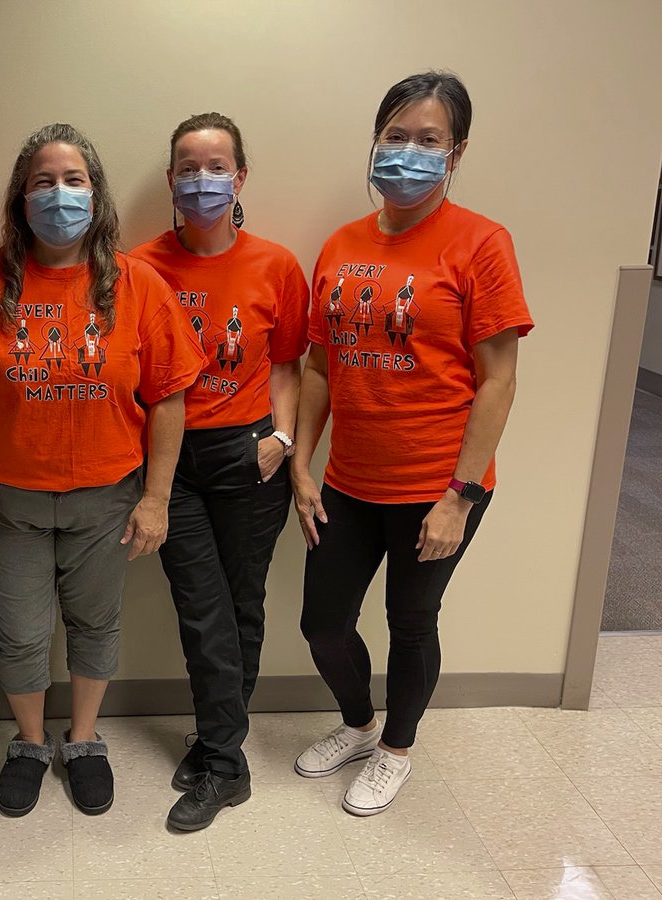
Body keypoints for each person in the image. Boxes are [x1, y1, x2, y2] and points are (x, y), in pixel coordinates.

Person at [0, 123, 204, 818]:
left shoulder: (139, 284)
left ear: (97, 195)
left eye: (73, 180)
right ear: (22, 201)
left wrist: (157, 499)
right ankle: (28, 743)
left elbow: (169, 399)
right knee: (19, 632)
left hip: (108, 498)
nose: (59, 195)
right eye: (43, 182)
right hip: (7, 499)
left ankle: (82, 742)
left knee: (94, 625)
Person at [291, 71, 533, 816]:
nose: (408, 152)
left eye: (428, 140)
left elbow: (497, 380)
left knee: (411, 623)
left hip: (439, 484)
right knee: (323, 623)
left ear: (455, 153)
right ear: (375, 140)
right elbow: (321, 367)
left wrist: (457, 497)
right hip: (350, 479)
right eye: (396, 136)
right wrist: (303, 464)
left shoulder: (481, 243)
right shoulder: (342, 244)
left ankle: (396, 747)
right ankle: (360, 725)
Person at [130, 112, 309, 831]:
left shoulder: (277, 265)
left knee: (241, 606)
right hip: (174, 460)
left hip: (250, 454)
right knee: (203, 611)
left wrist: (283, 437)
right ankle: (225, 753)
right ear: (170, 179)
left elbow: (291, 364)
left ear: (240, 177)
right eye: (187, 167)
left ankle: (219, 752)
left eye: (216, 167)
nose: (201, 180)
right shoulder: (139, 266)